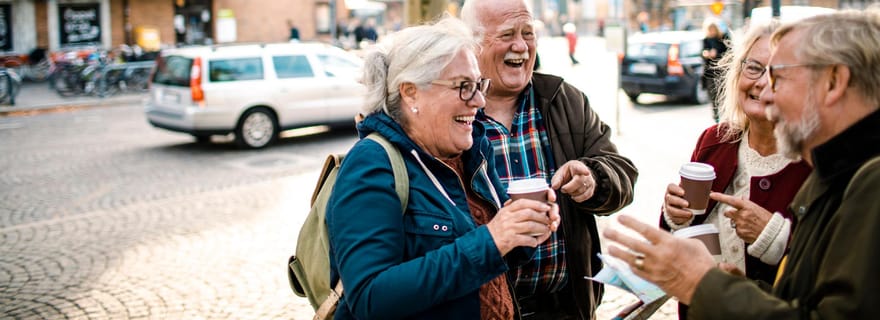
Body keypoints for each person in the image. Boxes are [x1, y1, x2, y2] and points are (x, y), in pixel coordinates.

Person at [605, 10, 880, 318]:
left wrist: (703, 285)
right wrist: (736, 291)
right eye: (756, 70)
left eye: (779, 76)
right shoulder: (837, 168)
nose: (768, 92)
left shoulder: (868, 179)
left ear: (834, 82)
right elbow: (806, 298)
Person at [326, 16, 561, 319]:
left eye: (479, 85)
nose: (478, 101)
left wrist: (523, 233)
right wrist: (491, 240)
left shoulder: (472, 152)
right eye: (463, 86)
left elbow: (487, 255)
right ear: (411, 92)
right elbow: (370, 298)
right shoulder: (372, 164)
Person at [461, 0, 639, 318]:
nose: (521, 46)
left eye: (528, 32)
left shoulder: (563, 99)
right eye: (507, 34)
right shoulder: (455, 112)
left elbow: (623, 173)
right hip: (485, 310)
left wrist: (594, 178)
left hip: (566, 307)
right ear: (471, 44)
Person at [659, 20, 812, 319]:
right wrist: (674, 216)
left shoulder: (813, 161)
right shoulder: (714, 140)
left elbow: (829, 269)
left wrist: (774, 236)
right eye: (753, 67)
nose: (762, 84)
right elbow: (684, 231)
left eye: (779, 73)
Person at [702, 19, 730, 122]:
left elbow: (729, 54)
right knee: (713, 96)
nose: (712, 32)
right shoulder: (706, 40)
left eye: (713, 29)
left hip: (721, 71)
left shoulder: (723, 38)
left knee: (723, 94)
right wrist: (706, 54)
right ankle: (716, 118)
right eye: (709, 30)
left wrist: (716, 54)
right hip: (710, 72)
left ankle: (725, 117)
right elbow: (702, 52)